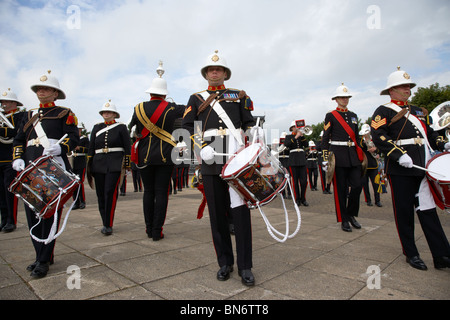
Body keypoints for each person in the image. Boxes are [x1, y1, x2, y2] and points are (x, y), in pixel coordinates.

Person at [182, 50, 257, 286]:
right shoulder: (196, 98)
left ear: (225, 73)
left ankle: (245, 266)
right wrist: (199, 147)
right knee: (217, 213)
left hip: (235, 157)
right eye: (211, 70)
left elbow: (249, 124)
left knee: (240, 213)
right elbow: (187, 127)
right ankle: (225, 262)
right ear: (206, 74)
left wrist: (255, 143)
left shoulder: (239, 95)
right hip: (210, 156)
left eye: (219, 69)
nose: (215, 72)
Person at [370, 67, 450, 270]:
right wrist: (398, 154)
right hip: (401, 168)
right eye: (403, 86)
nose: (408, 89)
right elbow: (378, 135)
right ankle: (411, 253)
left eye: (409, 86)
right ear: (392, 90)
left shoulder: (417, 111)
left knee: (428, 211)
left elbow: (430, 134)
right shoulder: (384, 110)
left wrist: (443, 144)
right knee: (404, 212)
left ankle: (442, 255)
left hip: (422, 167)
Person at [12, 70, 79, 278]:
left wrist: (62, 148)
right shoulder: (28, 115)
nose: (42, 91)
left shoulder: (64, 113)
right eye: (39, 88)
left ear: (55, 93)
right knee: (32, 214)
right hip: (30, 169)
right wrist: (17, 157)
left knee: (49, 215)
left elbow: (74, 138)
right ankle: (41, 254)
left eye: (46, 88)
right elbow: (18, 140)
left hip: (52, 169)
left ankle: (43, 260)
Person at [128, 61, 185, 241]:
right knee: (161, 193)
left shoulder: (138, 108)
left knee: (148, 192)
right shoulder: (172, 108)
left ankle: (148, 227)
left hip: (144, 156)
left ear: (150, 92)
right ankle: (157, 230)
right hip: (165, 156)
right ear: (165, 93)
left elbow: (133, 130)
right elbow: (188, 112)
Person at [321, 83, 363, 232]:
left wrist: (361, 153)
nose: (345, 99)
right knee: (341, 189)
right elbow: (325, 137)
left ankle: (351, 214)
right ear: (336, 99)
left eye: (347, 97)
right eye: (342, 97)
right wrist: (325, 158)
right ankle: (343, 219)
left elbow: (357, 137)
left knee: (357, 186)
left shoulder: (353, 116)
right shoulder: (331, 115)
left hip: (353, 155)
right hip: (338, 155)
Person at [87, 100, 131, 235]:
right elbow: (91, 147)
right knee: (100, 194)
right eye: (104, 112)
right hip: (98, 163)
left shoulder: (121, 127)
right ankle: (104, 221)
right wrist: (89, 164)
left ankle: (108, 223)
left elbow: (127, 146)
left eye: (109, 112)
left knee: (109, 193)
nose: (106, 114)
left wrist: (127, 164)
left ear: (114, 114)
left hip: (115, 163)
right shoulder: (96, 127)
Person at [0, 89, 25, 232]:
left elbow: (17, 133)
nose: (4, 104)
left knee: (9, 191)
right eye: (3, 102)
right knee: (0, 192)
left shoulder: (20, 116)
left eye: (7, 101)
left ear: (14, 103)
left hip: (11, 158)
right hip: (0, 157)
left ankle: (11, 221)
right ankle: (3, 220)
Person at [284, 121, 309, 206]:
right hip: (293, 160)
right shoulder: (288, 136)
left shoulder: (301, 136)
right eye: (295, 126)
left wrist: (302, 136)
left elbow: (306, 144)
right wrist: (296, 137)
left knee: (304, 181)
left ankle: (303, 198)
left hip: (302, 160)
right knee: (295, 182)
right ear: (292, 128)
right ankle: (297, 199)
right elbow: (287, 144)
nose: (297, 128)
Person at [359, 124, 382, 207]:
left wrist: (376, 150)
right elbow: (362, 146)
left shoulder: (374, 139)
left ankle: (377, 200)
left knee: (376, 184)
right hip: (364, 165)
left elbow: (379, 149)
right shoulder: (361, 141)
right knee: (365, 185)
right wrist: (366, 141)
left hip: (373, 165)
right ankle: (368, 200)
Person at [71, 124, 89, 209]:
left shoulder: (84, 138)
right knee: (73, 183)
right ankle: (75, 201)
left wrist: (80, 148)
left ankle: (82, 201)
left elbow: (88, 149)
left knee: (80, 182)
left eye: (79, 129)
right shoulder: (72, 139)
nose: (77, 131)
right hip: (72, 161)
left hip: (81, 161)